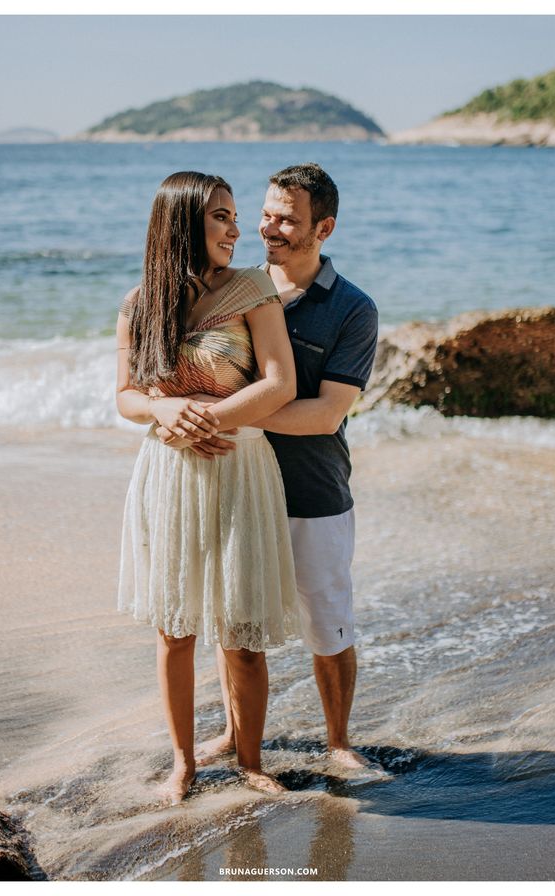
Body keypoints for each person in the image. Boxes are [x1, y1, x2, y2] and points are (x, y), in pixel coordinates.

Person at [158, 163, 382, 773]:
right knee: (235, 620)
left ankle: (338, 742)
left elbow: (326, 414)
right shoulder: (233, 287)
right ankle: (236, 737)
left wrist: (217, 418)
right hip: (231, 481)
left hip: (311, 489)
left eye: (287, 218)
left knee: (326, 619)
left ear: (324, 228)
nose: (268, 227)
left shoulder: (353, 309)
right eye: (266, 213)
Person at [116, 172, 298, 804]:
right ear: (184, 222)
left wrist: (206, 420)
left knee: (241, 631)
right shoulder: (141, 304)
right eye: (221, 216)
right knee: (175, 629)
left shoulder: (252, 289)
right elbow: (126, 396)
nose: (236, 228)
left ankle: (250, 761)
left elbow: (279, 384)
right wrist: (163, 414)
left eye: (234, 215)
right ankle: (183, 764)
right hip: (169, 476)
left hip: (240, 469)